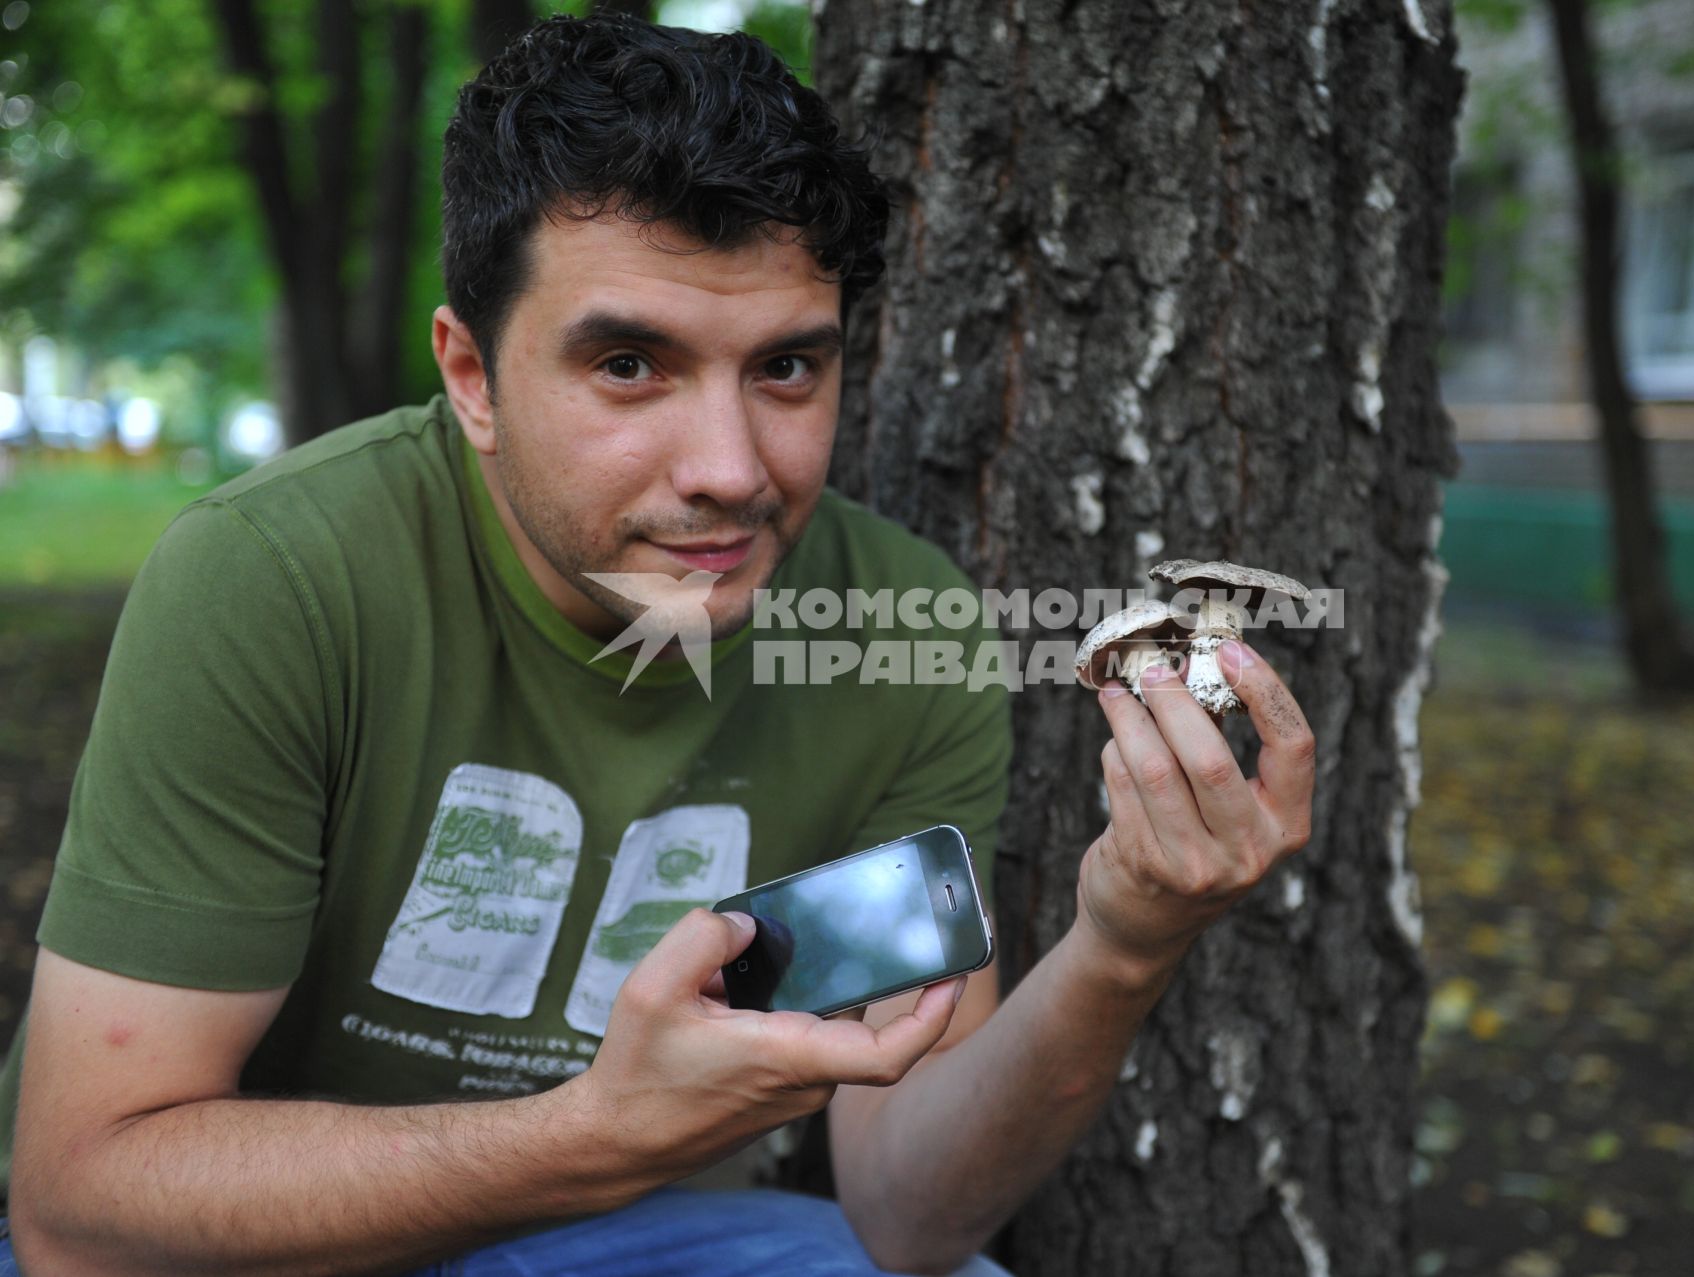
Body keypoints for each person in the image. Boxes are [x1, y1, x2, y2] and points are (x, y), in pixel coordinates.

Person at [0, 13, 1316, 1276]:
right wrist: (590, 1135)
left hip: (626, 1242)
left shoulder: (894, 636)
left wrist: (1125, 942)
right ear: (472, 377)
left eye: (788, 369)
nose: (733, 471)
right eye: (630, 364)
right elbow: (83, 1215)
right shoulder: (282, 577)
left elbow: (909, 1212)